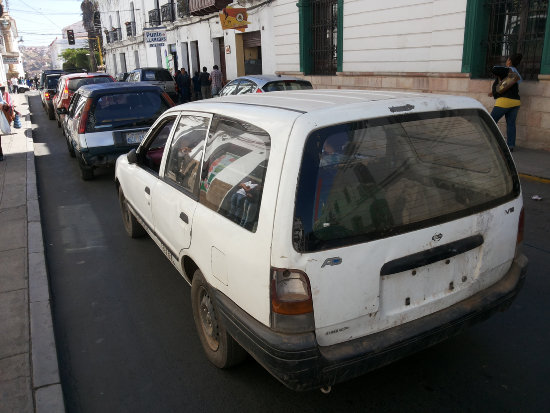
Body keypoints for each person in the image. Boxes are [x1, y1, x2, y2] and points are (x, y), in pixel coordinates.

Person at [489, 53, 523, 151]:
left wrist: (506, 67)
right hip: (516, 102)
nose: (506, 61)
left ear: (509, 61)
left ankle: (492, 142)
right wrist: (493, 92)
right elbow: (509, 85)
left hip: (504, 101)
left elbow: (494, 68)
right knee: (511, 124)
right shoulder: (517, 73)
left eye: (507, 60)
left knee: (491, 121)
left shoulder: (506, 70)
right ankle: (510, 146)